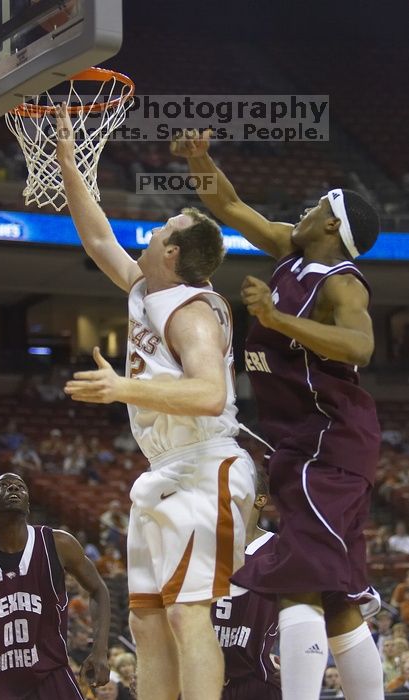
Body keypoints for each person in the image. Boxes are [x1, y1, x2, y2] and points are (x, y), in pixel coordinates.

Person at [172, 131, 384, 700]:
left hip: (330, 442)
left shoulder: (341, 285)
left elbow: (360, 347)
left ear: (334, 225)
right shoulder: (291, 250)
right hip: (302, 443)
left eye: (318, 206)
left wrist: (275, 317)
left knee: (297, 585)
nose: (306, 210)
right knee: (336, 598)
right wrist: (200, 160)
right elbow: (231, 206)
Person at [56, 104, 256, 700]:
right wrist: (69, 159)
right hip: (162, 470)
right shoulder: (148, 289)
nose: (153, 230)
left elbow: (210, 392)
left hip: (205, 465)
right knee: (146, 618)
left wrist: (122, 388)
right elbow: (97, 239)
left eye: (164, 227)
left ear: (173, 253)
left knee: (187, 614)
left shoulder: (193, 309)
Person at [0, 472, 111, 700]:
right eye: (4, 485)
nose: (13, 489)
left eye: (20, 487)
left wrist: (100, 652)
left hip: (48, 676)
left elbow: (99, 589)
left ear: (29, 504)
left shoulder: (58, 543)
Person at [211, 468, 281, 699]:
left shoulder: (281, 551)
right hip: (199, 675)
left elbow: (306, 610)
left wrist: (290, 653)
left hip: (256, 678)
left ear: (260, 499)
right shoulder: (200, 545)